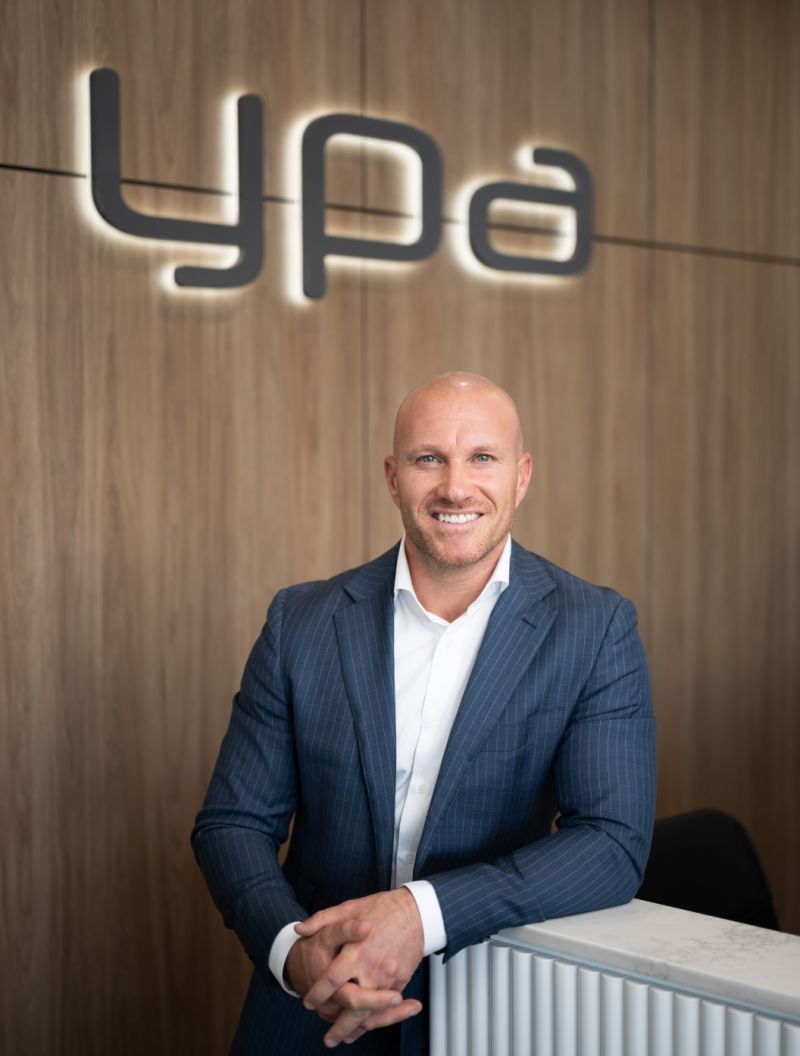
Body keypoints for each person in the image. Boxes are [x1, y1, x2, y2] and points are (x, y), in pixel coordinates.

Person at [192, 372, 656, 1055]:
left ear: (522, 476)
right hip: (309, 1013)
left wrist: (421, 913)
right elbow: (232, 823)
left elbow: (612, 843)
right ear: (392, 477)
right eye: (428, 458)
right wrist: (294, 953)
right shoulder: (301, 622)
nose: (455, 487)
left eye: (483, 457)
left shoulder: (595, 628)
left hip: (493, 1007)